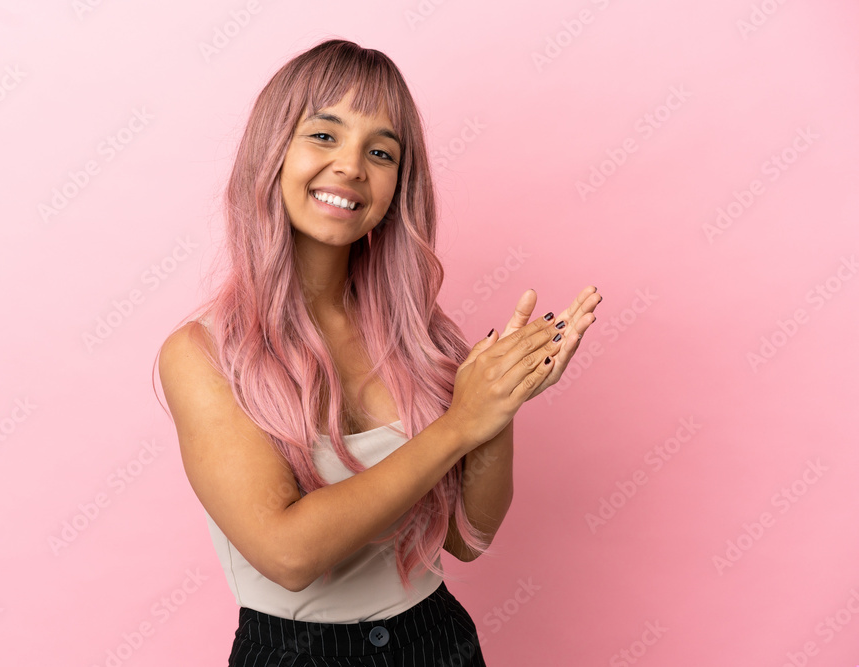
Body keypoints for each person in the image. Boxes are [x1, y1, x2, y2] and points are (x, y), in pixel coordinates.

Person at [155, 38, 602, 666]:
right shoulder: (203, 354)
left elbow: (466, 539)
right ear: (272, 151)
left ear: (399, 185)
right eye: (324, 135)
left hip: (437, 641)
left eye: (381, 152)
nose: (351, 166)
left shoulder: (419, 335)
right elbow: (288, 555)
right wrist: (460, 424)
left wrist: (499, 404)